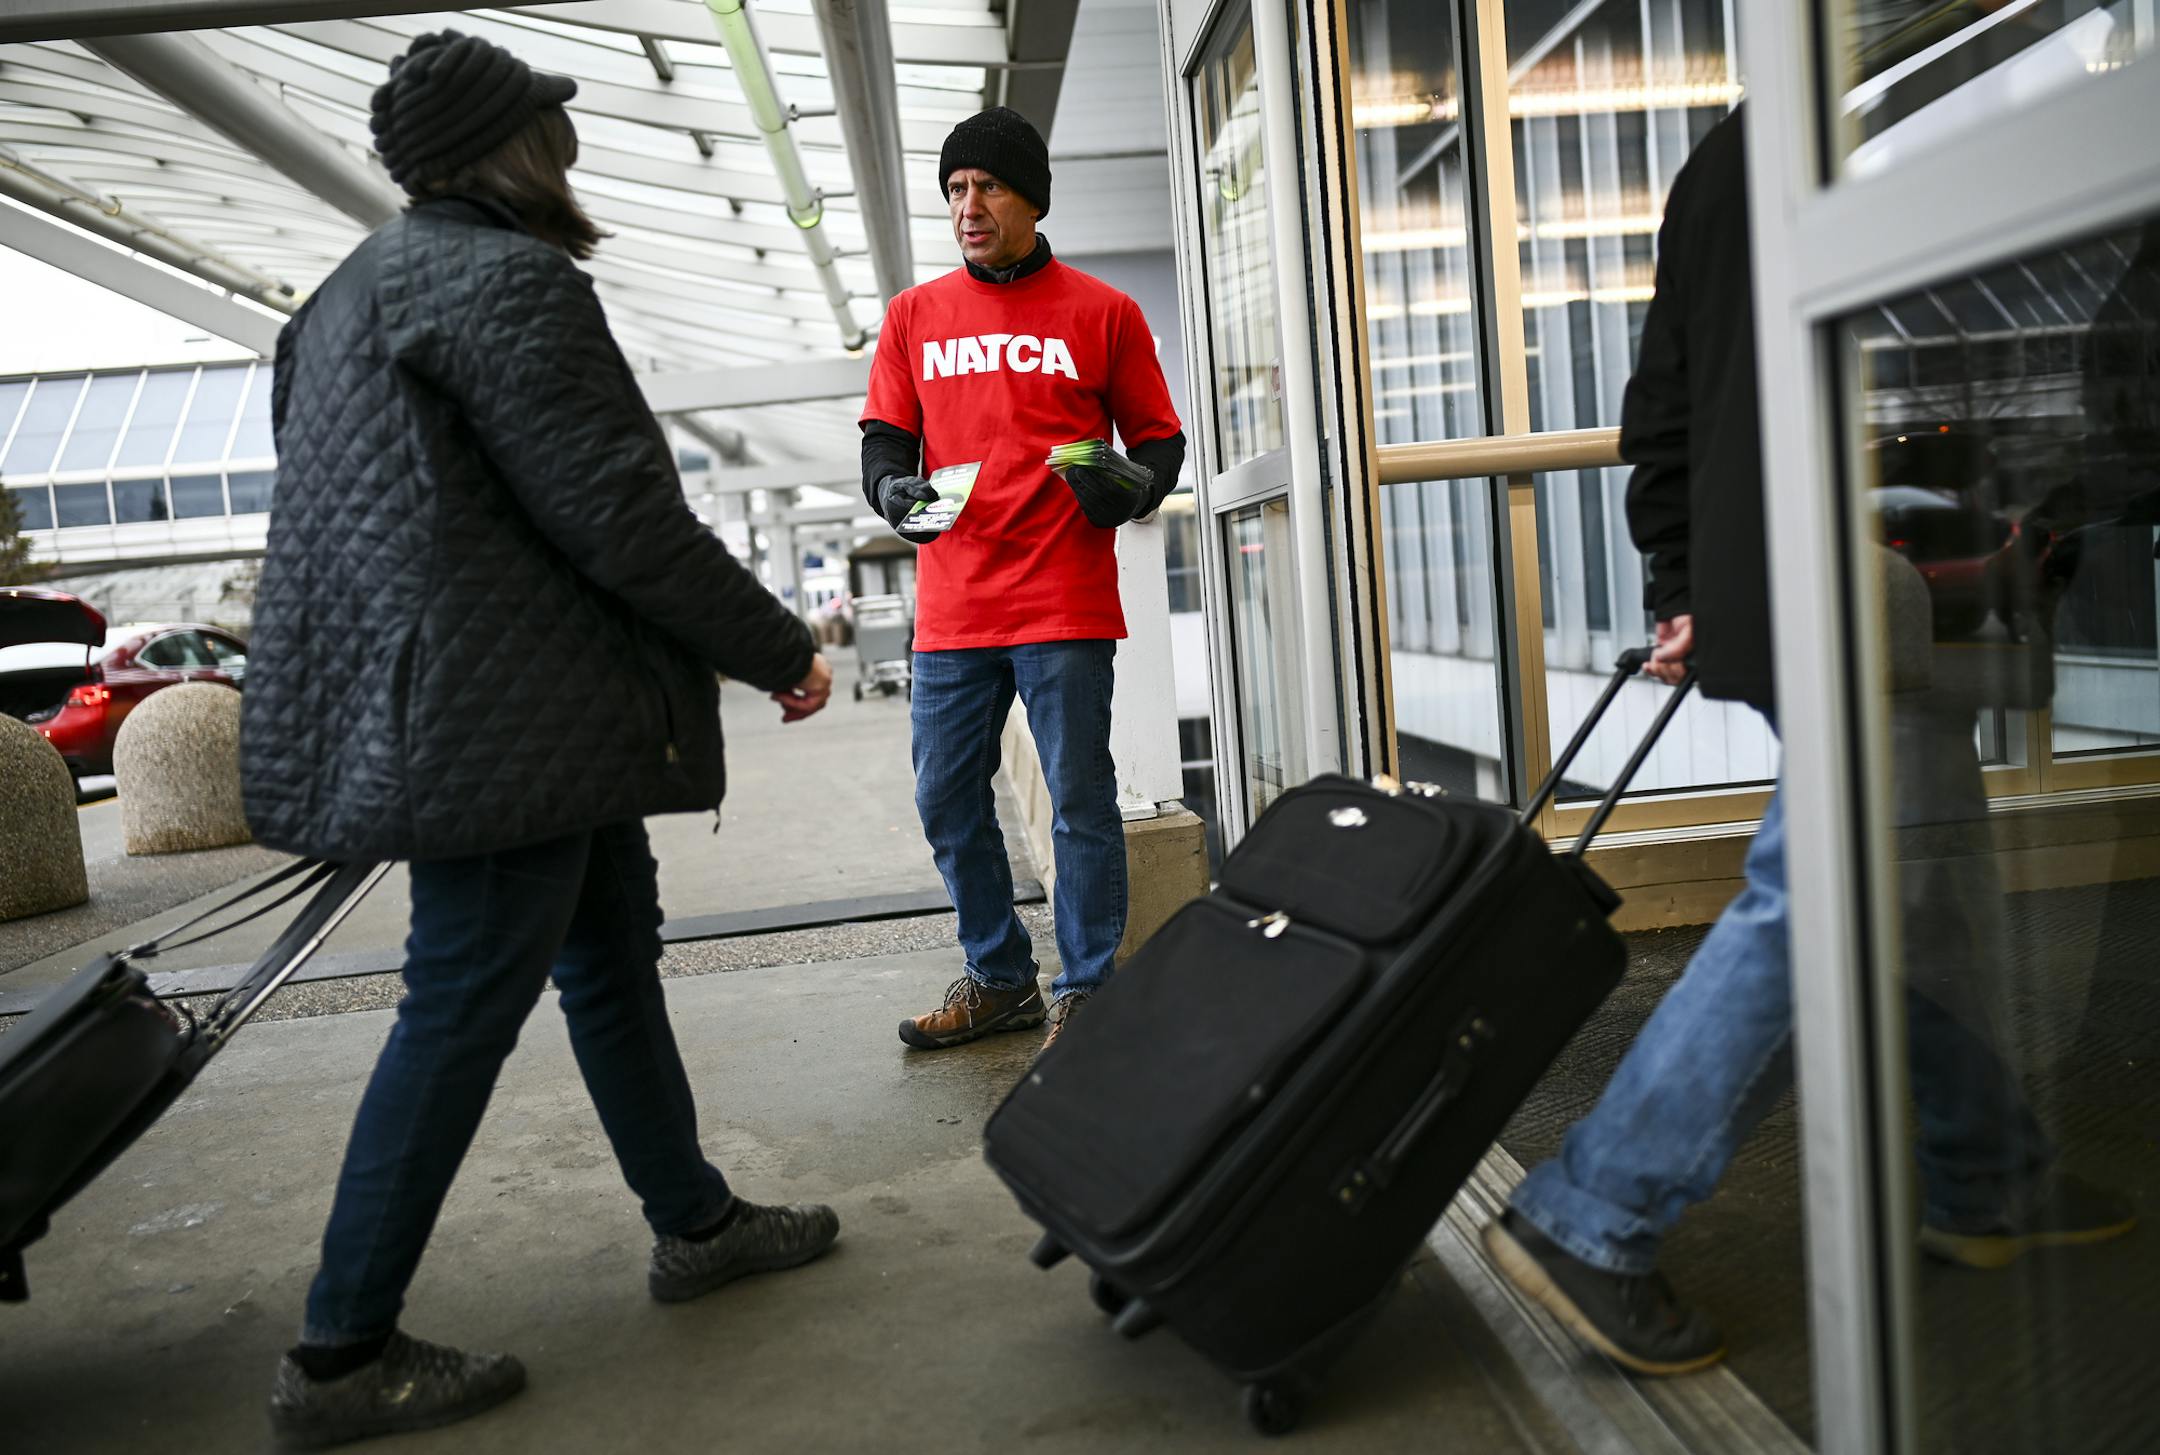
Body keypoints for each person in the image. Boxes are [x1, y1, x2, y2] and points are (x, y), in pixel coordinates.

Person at [241, 31, 840, 1449]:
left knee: (610, 962)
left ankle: (692, 1220)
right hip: (501, 727)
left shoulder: (335, 300)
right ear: (513, 150)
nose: (567, 153)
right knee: (456, 1007)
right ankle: (339, 1354)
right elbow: (619, 512)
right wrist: (776, 647)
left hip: (496, 715)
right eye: (549, 130)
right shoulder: (508, 283)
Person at [1480, 108, 2134, 1376]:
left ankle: (1989, 1169)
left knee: (1913, 887)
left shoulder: (1743, 142)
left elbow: (1662, 393)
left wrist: (1685, 577)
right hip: (1886, 590)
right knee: (1829, 894)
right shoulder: (1923, 111)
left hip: (1819, 582)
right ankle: (1595, 1213)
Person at [858, 107, 1187, 1056]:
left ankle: (1089, 990)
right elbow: (884, 439)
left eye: (988, 187)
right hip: (955, 604)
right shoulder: (913, 316)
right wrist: (894, 489)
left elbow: (1158, 442)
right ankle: (1001, 979)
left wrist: (1131, 485)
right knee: (944, 796)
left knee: (1080, 796)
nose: (969, 205)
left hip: (1062, 599)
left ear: (1032, 200)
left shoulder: (1103, 312)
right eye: (956, 189)